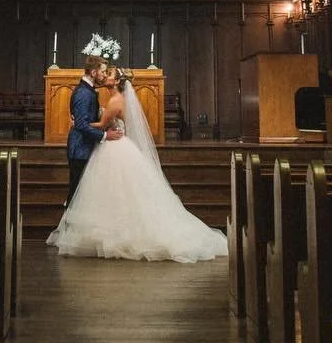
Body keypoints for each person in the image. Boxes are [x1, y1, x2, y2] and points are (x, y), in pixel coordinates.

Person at [47, 67, 228, 262]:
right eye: (105, 73)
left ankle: (118, 235)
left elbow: (102, 125)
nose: (105, 76)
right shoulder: (115, 98)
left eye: (109, 75)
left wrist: (79, 124)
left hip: (114, 147)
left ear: (117, 82)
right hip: (116, 145)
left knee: (117, 192)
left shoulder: (116, 100)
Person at [64, 58, 119, 207]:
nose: (105, 75)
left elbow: (85, 120)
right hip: (80, 149)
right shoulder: (84, 93)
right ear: (93, 72)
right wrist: (105, 135)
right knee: (76, 195)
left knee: (82, 194)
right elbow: (81, 125)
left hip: (85, 147)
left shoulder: (88, 90)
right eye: (103, 72)